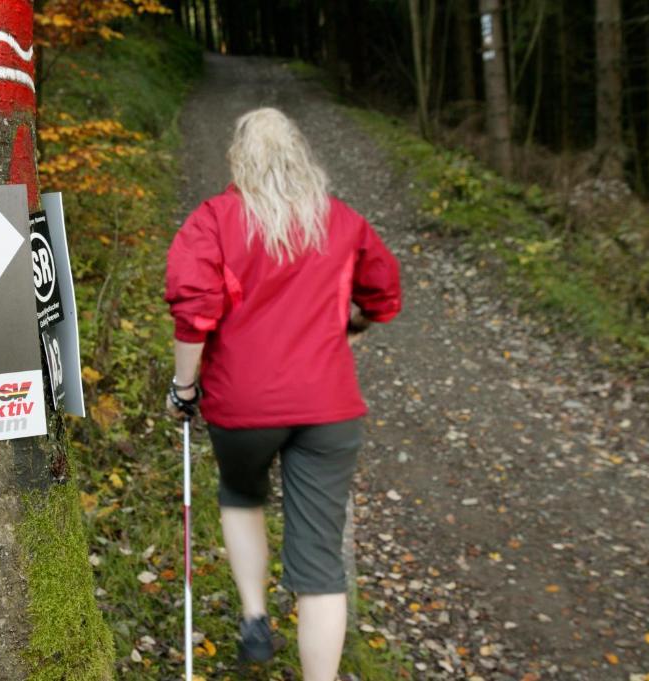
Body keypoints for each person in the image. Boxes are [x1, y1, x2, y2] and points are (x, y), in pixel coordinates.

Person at [164, 107, 401, 681]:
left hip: (242, 407)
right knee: (320, 563)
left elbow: (194, 313)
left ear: (237, 160)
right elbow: (383, 291)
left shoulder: (215, 220)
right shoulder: (340, 221)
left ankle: (253, 616)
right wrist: (355, 325)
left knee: (241, 494)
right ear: (301, 155)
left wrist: (184, 388)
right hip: (329, 410)